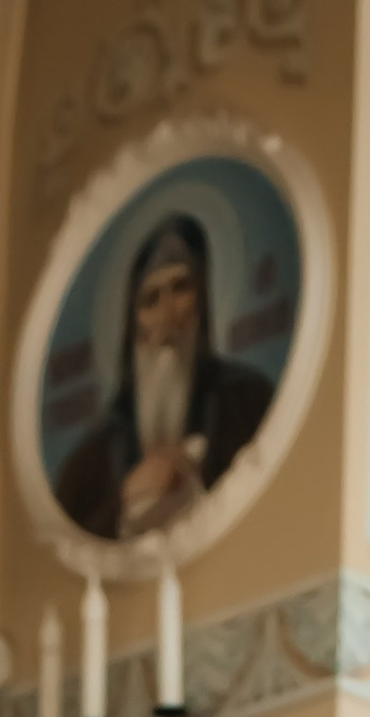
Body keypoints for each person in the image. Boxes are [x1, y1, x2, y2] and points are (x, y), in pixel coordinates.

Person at [51, 210, 276, 548]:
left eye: (180, 288)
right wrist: (127, 497)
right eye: (150, 300)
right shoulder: (92, 457)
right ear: (133, 321)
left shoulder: (247, 401)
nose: (168, 312)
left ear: (203, 297)